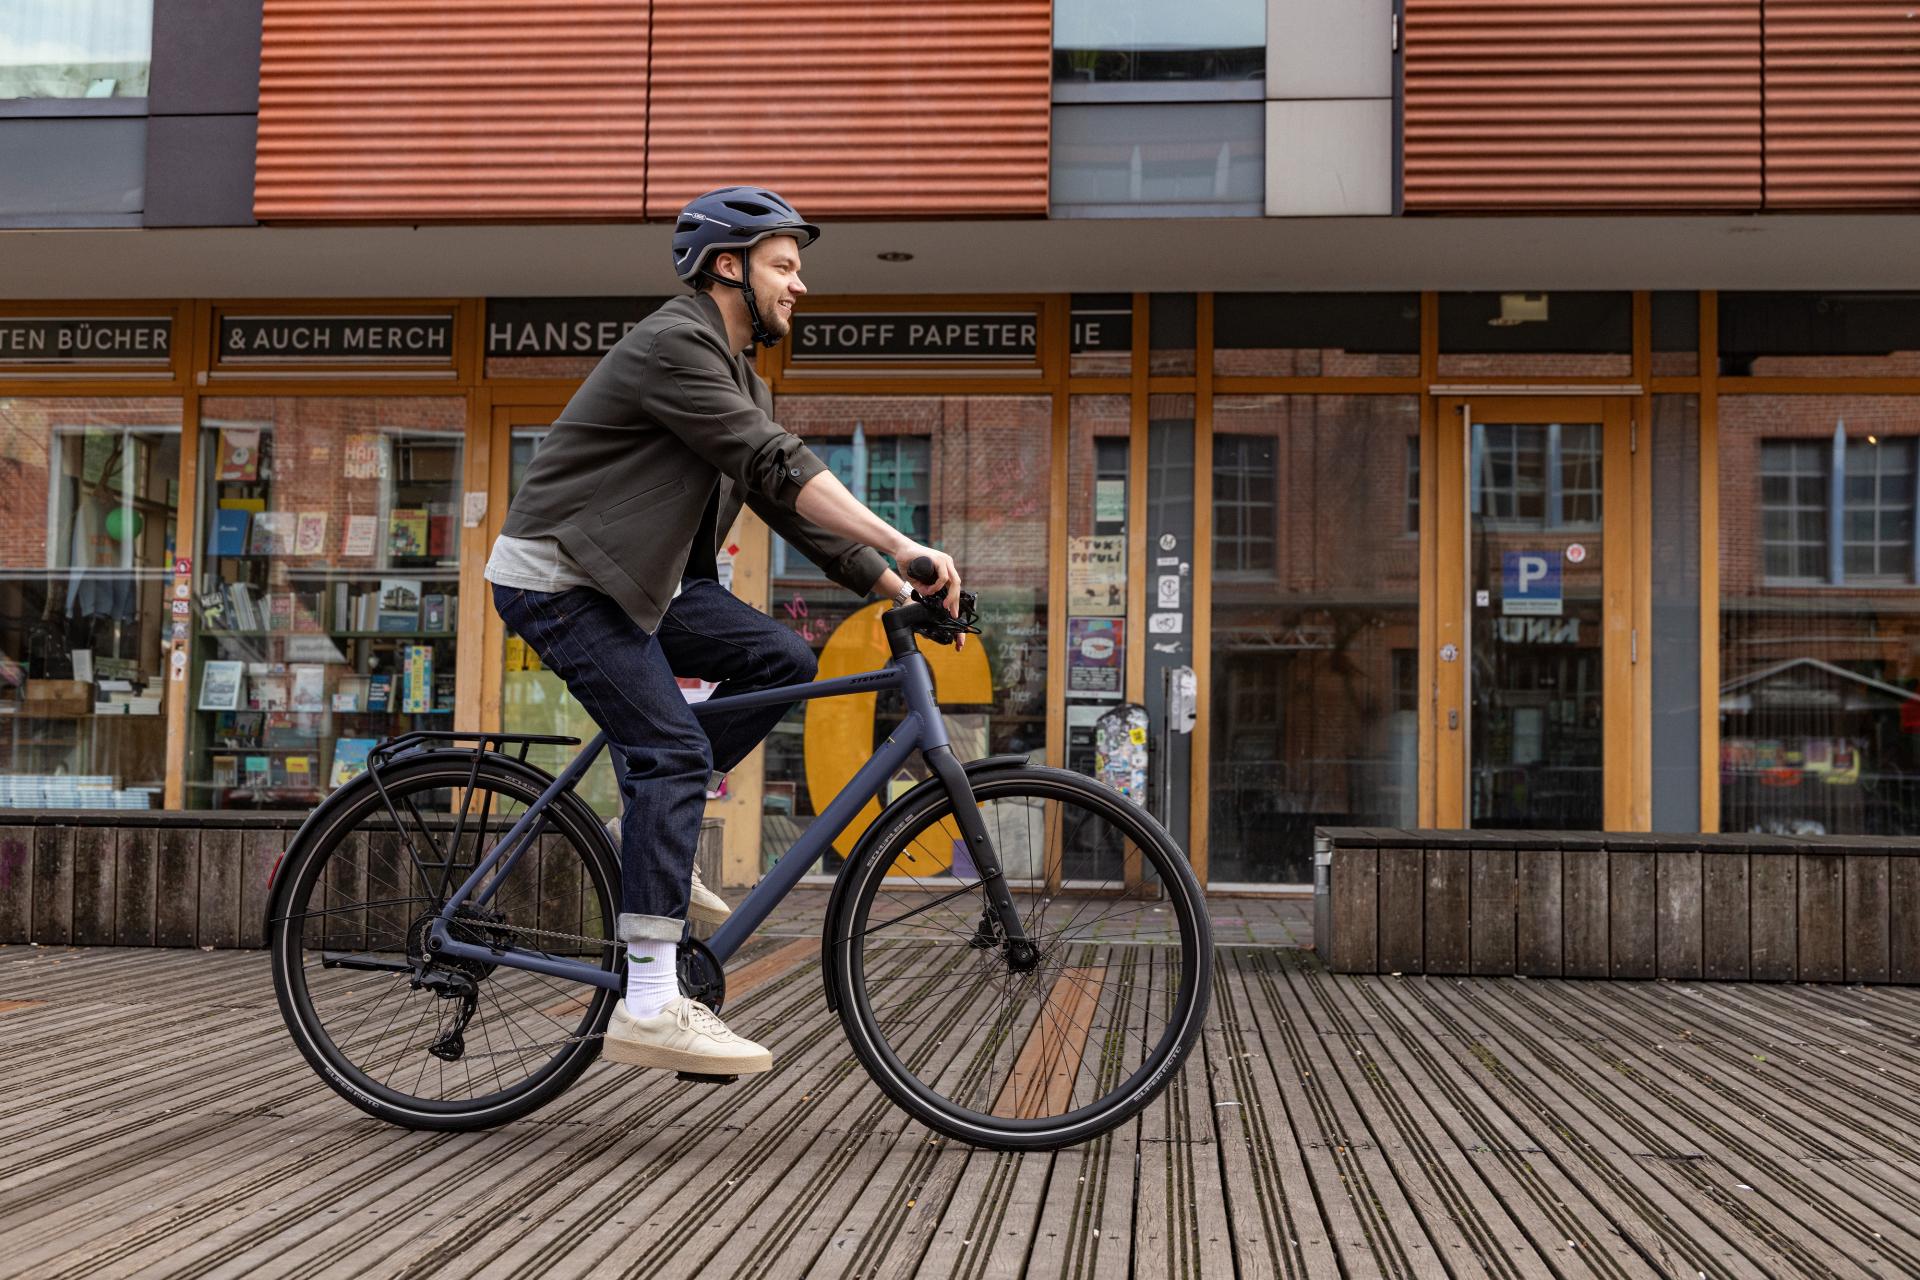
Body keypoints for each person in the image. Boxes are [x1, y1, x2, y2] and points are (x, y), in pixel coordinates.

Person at [486, 186, 960, 1076]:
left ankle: (646, 838)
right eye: (786, 265)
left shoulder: (738, 372)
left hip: (640, 585)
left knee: (776, 655)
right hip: (564, 577)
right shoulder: (675, 344)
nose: (801, 286)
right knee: (667, 750)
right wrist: (902, 538)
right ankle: (653, 1002)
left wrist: (899, 586)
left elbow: (790, 505)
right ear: (727, 267)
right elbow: (777, 461)